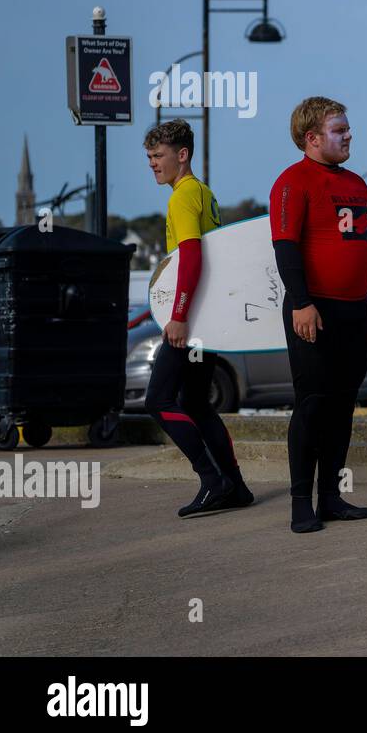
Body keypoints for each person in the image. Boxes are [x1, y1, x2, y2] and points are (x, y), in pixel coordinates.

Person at [269, 97, 367, 532]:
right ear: (312, 137)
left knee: (342, 407)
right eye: (339, 130)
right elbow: (285, 248)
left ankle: (331, 498)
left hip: (356, 312)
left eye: (347, 129)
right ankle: (300, 501)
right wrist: (301, 302)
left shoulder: (357, 184)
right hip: (313, 310)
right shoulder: (292, 182)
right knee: (312, 406)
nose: (348, 136)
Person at [143, 120, 254, 516]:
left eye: (159, 156)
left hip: (191, 321)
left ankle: (212, 480)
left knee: (158, 400)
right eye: (150, 158)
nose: (153, 164)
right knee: (195, 402)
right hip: (205, 317)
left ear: (182, 154)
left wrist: (178, 316)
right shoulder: (203, 193)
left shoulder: (182, 196)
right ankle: (236, 487)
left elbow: (192, 257)